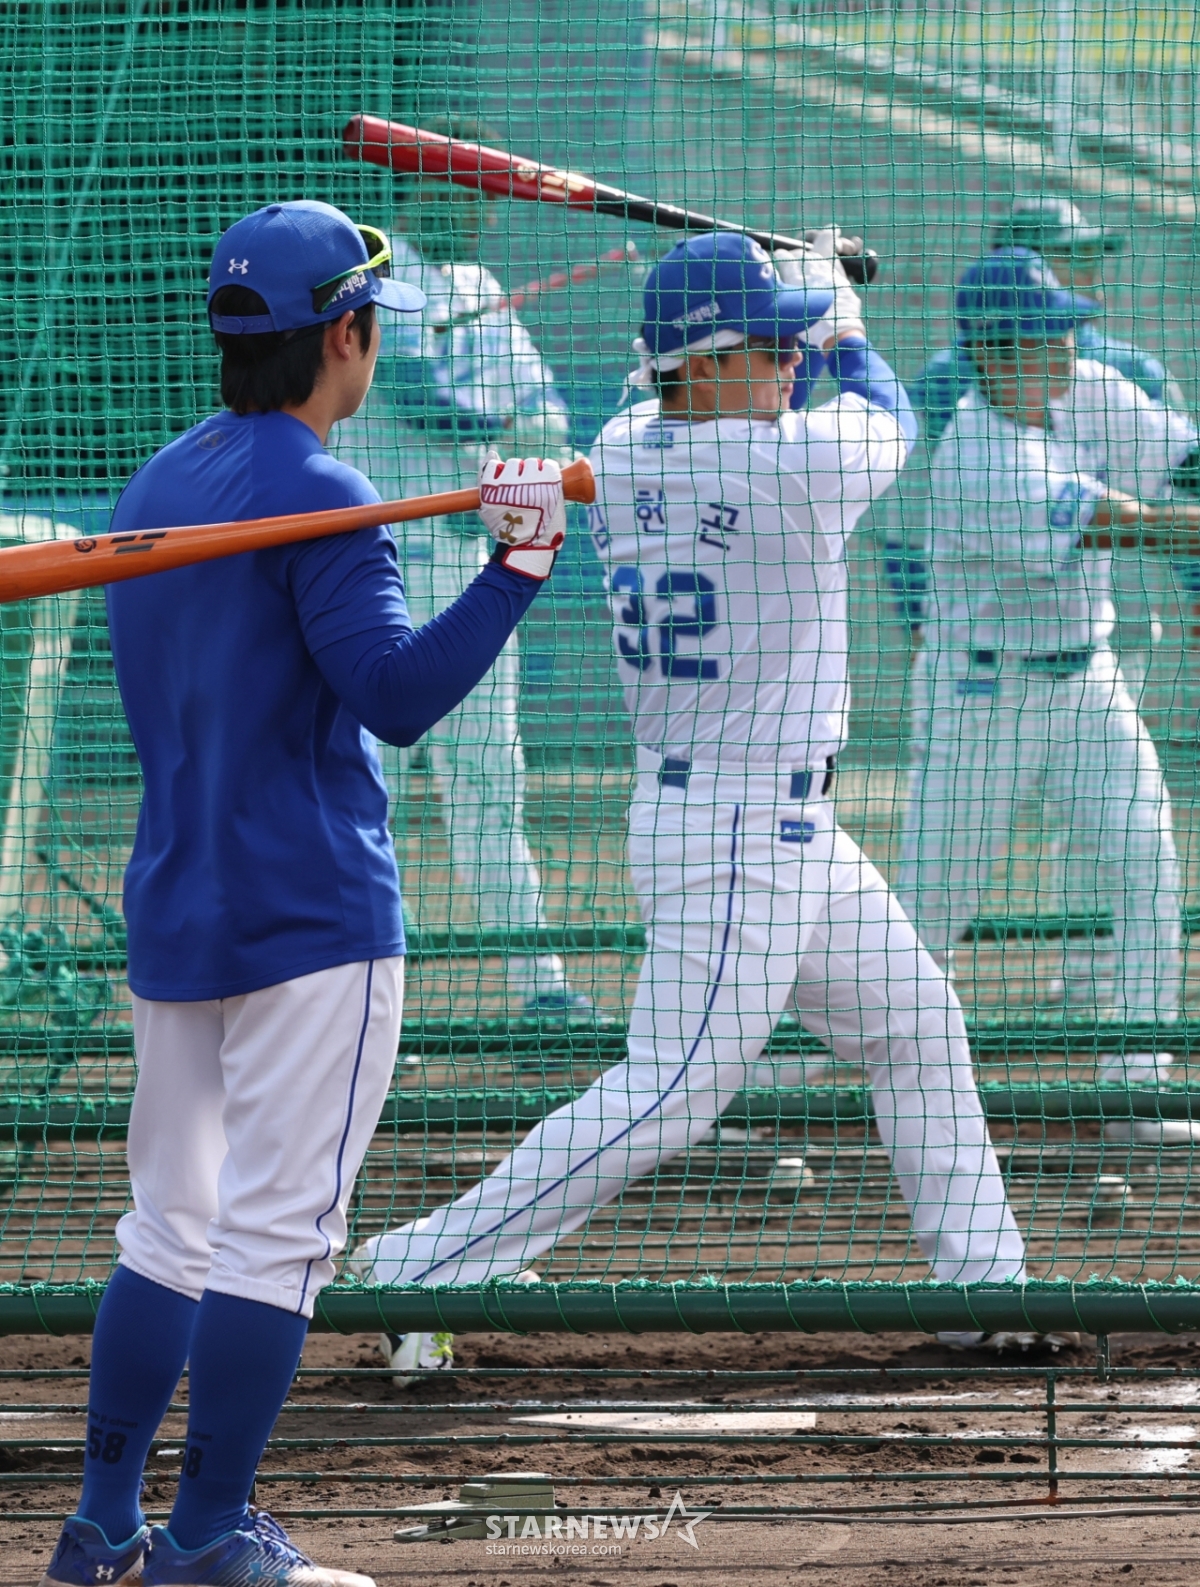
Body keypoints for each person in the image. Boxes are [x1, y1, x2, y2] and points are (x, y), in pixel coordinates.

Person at [351, 230, 1048, 1367]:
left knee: (916, 1026)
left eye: (789, 346)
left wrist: (792, 297)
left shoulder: (626, 442)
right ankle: (422, 1262)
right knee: (674, 1089)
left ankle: (987, 1287)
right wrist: (837, 306)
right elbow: (885, 410)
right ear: (706, 363)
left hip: (765, 819)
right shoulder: (783, 467)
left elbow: (785, 403)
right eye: (767, 348)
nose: (790, 363)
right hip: (735, 830)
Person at [39, 199, 570, 1587]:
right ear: (344, 336)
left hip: (177, 902)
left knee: (169, 1227)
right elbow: (394, 696)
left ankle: (101, 1525)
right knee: (277, 1236)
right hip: (312, 913)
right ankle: (209, 1536)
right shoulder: (329, 491)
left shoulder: (155, 483)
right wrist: (517, 566)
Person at [895, 248, 1200, 1147]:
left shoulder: (1090, 387)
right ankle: (771, 1076)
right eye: (1042, 336)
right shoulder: (976, 453)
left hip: (1088, 681)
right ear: (992, 352)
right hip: (983, 693)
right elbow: (1123, 525)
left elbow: (1184, 461)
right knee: (927, 909)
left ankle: (1137, 1087)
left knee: (1146, 865)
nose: (1066, 347)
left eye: (1065, 327)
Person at [334, 116, 596, 1025]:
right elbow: (414, 393)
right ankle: (355, 990)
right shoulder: (374, 275)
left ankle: (539, 985)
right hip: (377, 577)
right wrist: (499, 426)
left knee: (491, 784)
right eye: (468, 190)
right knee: (368, 787)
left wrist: (537, 433)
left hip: (464, 573)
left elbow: (543, 404)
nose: (485, 211)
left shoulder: (481, 289)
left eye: (488, 193)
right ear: (423, 186)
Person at [889, 196, 1199, 706]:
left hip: (1106, 633)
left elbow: (1185, 470)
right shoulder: (954, 400)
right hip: (988, 671)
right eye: (1072, 255)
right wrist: (914, 615)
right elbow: (906, 513)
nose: (1091, 269)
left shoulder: (1111, 373)